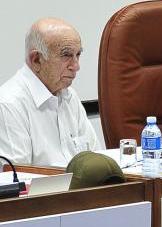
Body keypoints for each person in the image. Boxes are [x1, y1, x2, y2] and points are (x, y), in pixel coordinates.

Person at [0, 18, 98, 167]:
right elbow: (17, 177)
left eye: (78, 55)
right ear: (36, 60)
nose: (76, 66)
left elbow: (95, 158)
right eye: (66, 55)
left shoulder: (70, 96)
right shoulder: (9, 105)